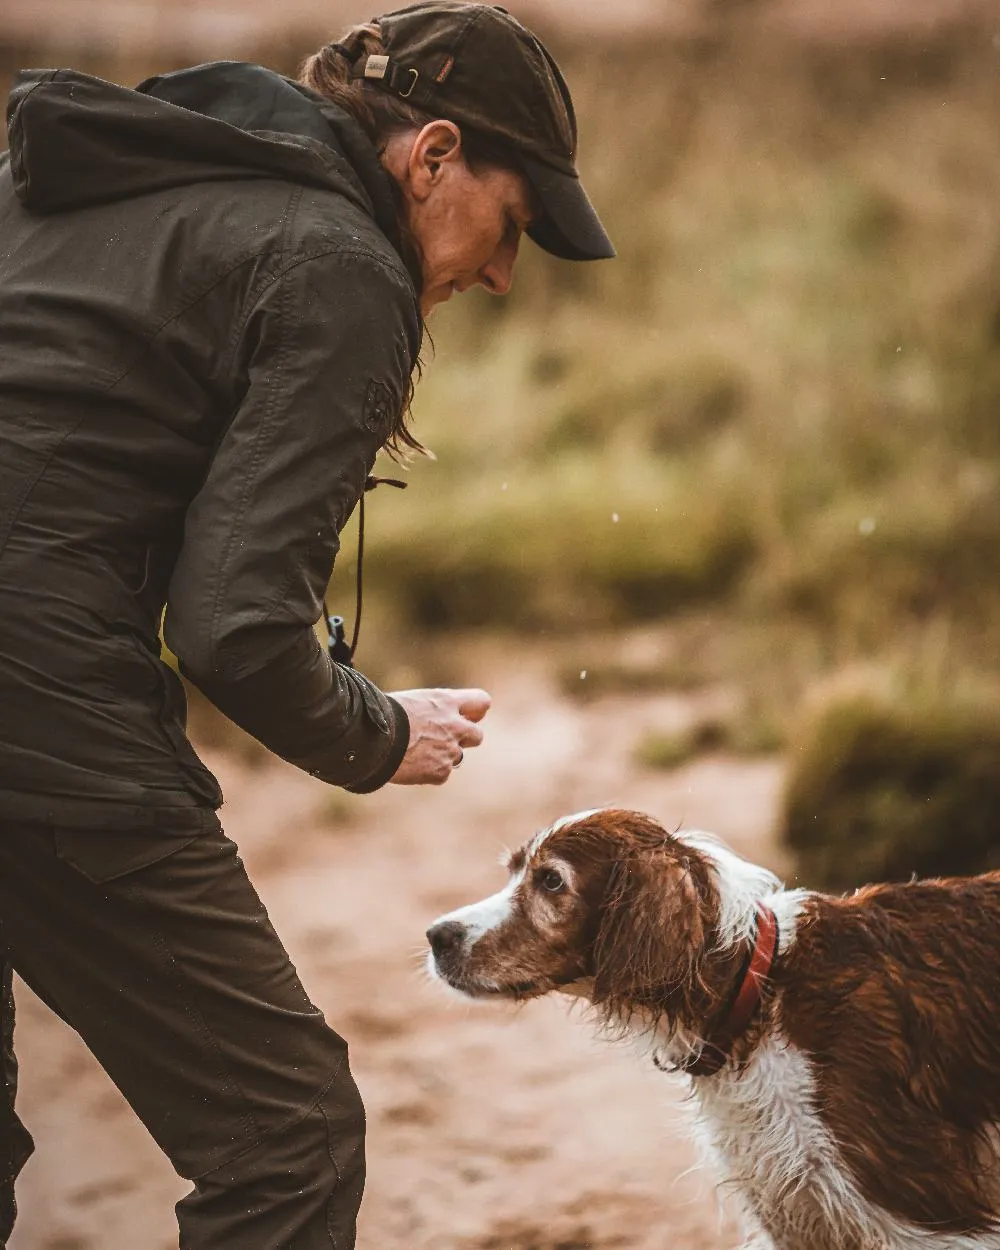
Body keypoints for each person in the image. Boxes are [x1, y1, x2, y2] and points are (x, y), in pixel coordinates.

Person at [0, 1, 614, 1245]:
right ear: (432, 155)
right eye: (510, 227)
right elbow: (232, 621)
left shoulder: (79, 179)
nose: (500, 273)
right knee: (284, 1139)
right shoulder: (339, 265)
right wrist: (380, 734)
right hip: (39, 707)